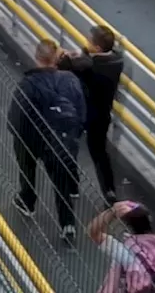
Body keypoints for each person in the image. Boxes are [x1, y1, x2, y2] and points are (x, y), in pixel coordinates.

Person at [9, 40, 86, 241]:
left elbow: (16, 115)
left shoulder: (28, 84)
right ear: (56, 59)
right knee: (61, 181)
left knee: (27, 169)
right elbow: (80, 110)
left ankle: (27, 200)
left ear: (37, 57)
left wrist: (18, 134)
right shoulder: (70, 80)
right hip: (60, 138)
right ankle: (67, 224)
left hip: (31, 137)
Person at [59, 25, 125, 204]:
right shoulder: (117, 60)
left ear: (97, 48)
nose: (85, 42)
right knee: (99, 153)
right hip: (102, 115)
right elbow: (89, 60)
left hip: (81, 112)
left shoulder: (88, 66)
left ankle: (72, 185)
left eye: (89, 41)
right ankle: (109, 191)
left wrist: (67, 56)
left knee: (68, 145)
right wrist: (83, 54)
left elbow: (66, 66)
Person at [89, 200, 155, 292]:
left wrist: (112, 211)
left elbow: (94, 232)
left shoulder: (127, 252)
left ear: (127, 226)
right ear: (150, 218)